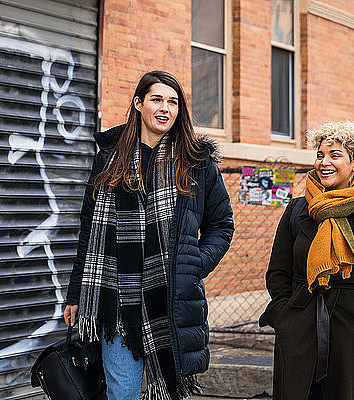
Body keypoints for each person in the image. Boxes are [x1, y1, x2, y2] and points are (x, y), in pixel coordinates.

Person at [63, 70, 234, 400]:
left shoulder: (196, 162)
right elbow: (89, 231)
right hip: (116, 301)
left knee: (167, 392)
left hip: (168, 298)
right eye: (157, 99)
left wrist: (193, 264)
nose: (165, 108)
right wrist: (75, 294)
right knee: (122, 392)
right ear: (139, 103)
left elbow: (221, 226)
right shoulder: (108, 160)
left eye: (173, 102)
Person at [259, 121, 354, 400]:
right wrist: (285, 315)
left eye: (334, 155)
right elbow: (278, 272)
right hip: (300, 333)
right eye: (320, 155)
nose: (324, 163)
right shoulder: (298, 210)